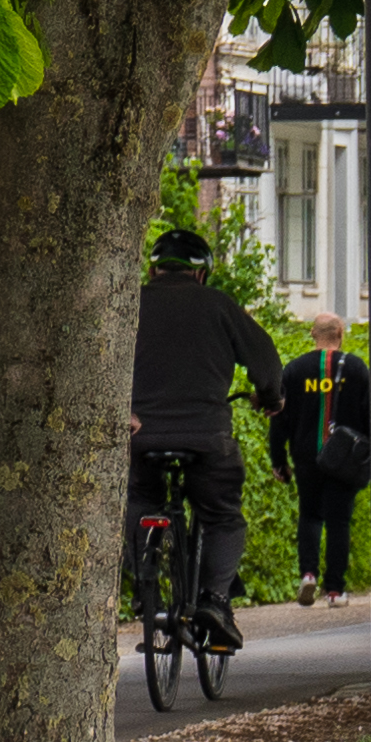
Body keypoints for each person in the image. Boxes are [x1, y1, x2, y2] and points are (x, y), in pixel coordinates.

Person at [123, 218, 294, 643]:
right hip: (207, 436)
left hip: (140, 435)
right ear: (201, 272)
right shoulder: (219, 304)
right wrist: (270, 398)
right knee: (221, 515)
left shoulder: (127, 304)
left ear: (153, 270)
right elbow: (267, 362)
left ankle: (146, 584)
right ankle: (214, 600)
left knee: (137, 500)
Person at [278, 313, 371, 602]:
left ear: (312, 333)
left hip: (305, 455)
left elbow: (280, 417)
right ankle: (335, 589)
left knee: (310, 514)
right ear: (340, 332)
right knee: (339, 521)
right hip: (344, 460)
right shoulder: (357, 368)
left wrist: (278, 460)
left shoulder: (294, 370)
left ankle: (308, 574)